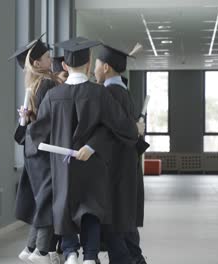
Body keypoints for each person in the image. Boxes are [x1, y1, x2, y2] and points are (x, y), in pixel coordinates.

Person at [26, 37, 139, 264]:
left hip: (63, 167)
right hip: (93, 166)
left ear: (65, 66)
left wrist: (28, 120)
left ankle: (70, 254)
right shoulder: (101, 94)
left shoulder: (52, 96)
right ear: (88, 64)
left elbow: (36, 135)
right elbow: (123, 129)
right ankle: (89, 256)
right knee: (91, 209)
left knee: (65, 206)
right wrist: (91, 145)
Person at [93, 44, 149, 264]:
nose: (93, 69)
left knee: (115, 225)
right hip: (126, 168)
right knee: (125, 225)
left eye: (96, 65)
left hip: (114, 170)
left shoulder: (108, 93)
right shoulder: (123, 91)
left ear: (106, 67)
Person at [9, 33, 62, 264]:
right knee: (48, 200)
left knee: (42, 200)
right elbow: (49, 120)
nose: (51, 60)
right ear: (36, 63)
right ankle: (40, 251)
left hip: (32, 153)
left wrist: (29, 118)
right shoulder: (47, 83)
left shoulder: (33, 84)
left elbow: (33, 122)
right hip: (45, 151)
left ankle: (31, 247)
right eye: (47, 57)